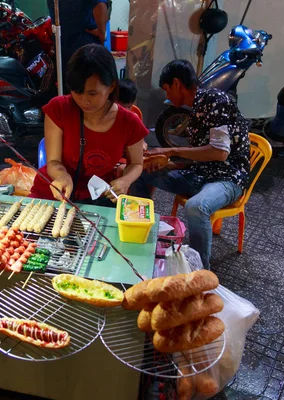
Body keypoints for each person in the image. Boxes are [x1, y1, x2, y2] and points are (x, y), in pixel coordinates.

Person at [130, 60, 250, 269]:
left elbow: (220, 153)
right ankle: (143, 236)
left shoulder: (214, 100)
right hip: (200, 174)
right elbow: (201, 157)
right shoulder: (197, 108)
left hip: (227, 178)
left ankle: (200, 271)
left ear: (177, 84)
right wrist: (168, 164)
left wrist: (172, 151)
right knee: (139, 172)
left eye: (167, 89)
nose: (167, 96)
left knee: (196, 206)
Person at [29, 43, 148, 204]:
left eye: (92, 93)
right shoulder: (59, 109)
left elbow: (136, 164)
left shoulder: (130, 122)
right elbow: (53, 161)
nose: (84, 100)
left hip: (98, 197)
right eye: (77, 91)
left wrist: (125, 180)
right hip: (53, 193)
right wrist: (62, 176)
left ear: (112, 86)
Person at [47, 0, 109, 89]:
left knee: (71, 86)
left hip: (63, 42)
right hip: (82, 43)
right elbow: (100, 4)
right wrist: (102, 33)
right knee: (85, 87)